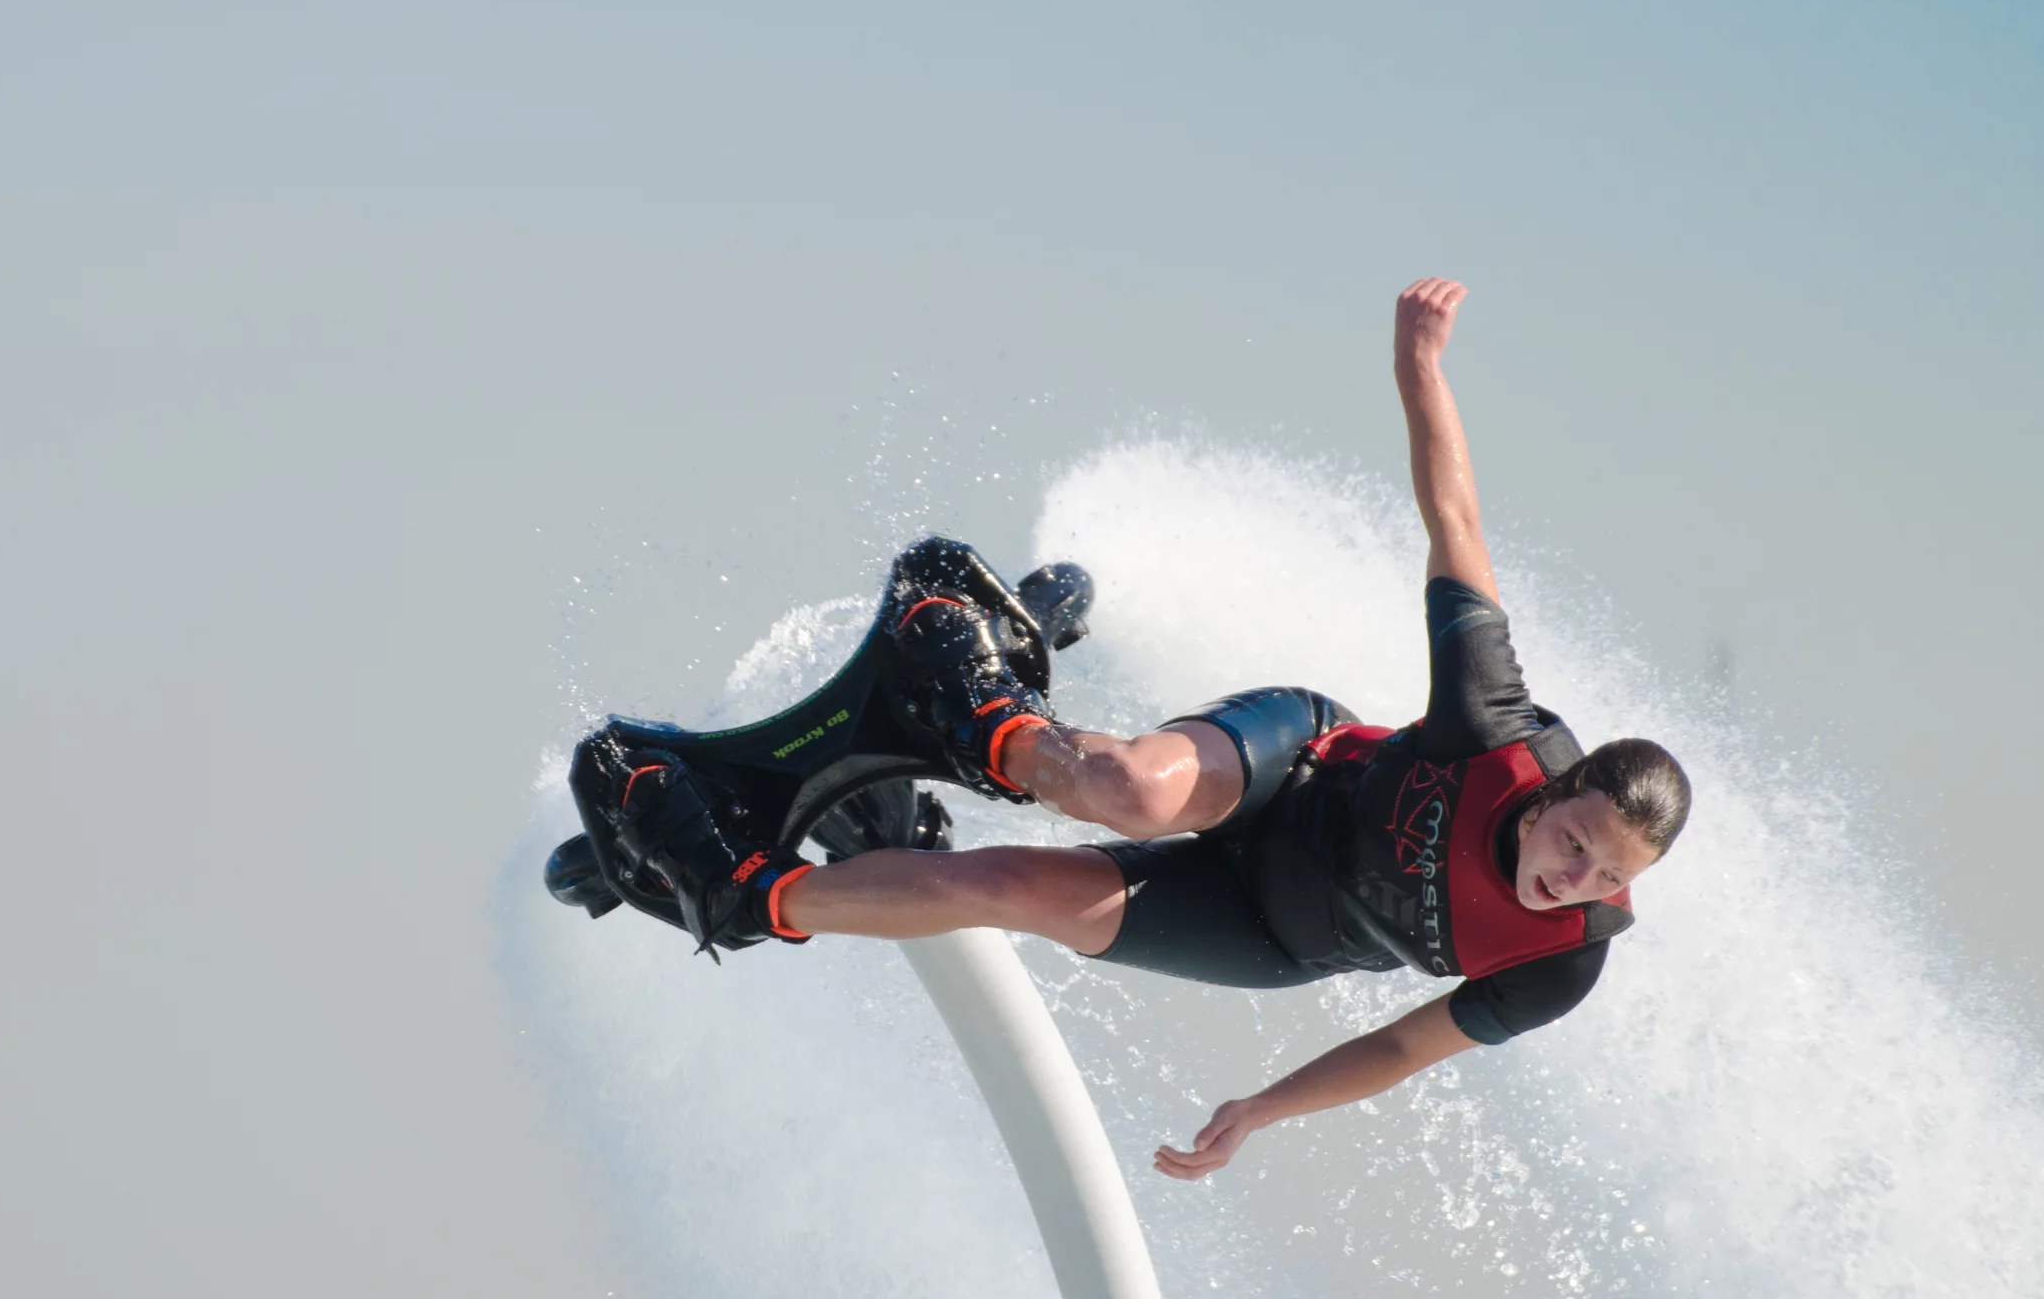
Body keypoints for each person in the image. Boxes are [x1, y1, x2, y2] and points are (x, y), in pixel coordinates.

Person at [601, 279, 1691, 1180]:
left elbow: (1404, 1045)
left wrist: (1263, 1109)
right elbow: (1455, 523)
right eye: (1573, 842)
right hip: (1288, 769)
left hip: (1268, 931)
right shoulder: (1491, 727)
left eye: (1600, 878)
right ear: (1553, 796)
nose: (1571, 877)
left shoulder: (1562, 963)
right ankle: (985, 726)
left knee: (1010, 894)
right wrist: (1421, 370)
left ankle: (750, 898)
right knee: (1129, 789)